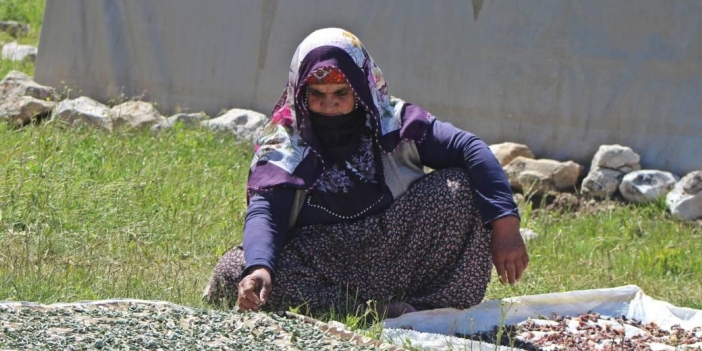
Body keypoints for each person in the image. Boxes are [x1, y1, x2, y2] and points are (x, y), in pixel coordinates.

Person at [203, 28, 529, 318]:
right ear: (300, 92)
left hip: (398, 251)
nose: (329, 105)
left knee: (461, 186)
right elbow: (266, 211)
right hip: (322, 264)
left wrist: (506, 225)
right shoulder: (285, 140)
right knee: (233, 274)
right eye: (317, 94)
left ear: (360, 89)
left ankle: (432, 309)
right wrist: (260, 268)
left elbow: (469, 147)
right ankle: (367, 312)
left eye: (341, 93)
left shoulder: (392, 120)